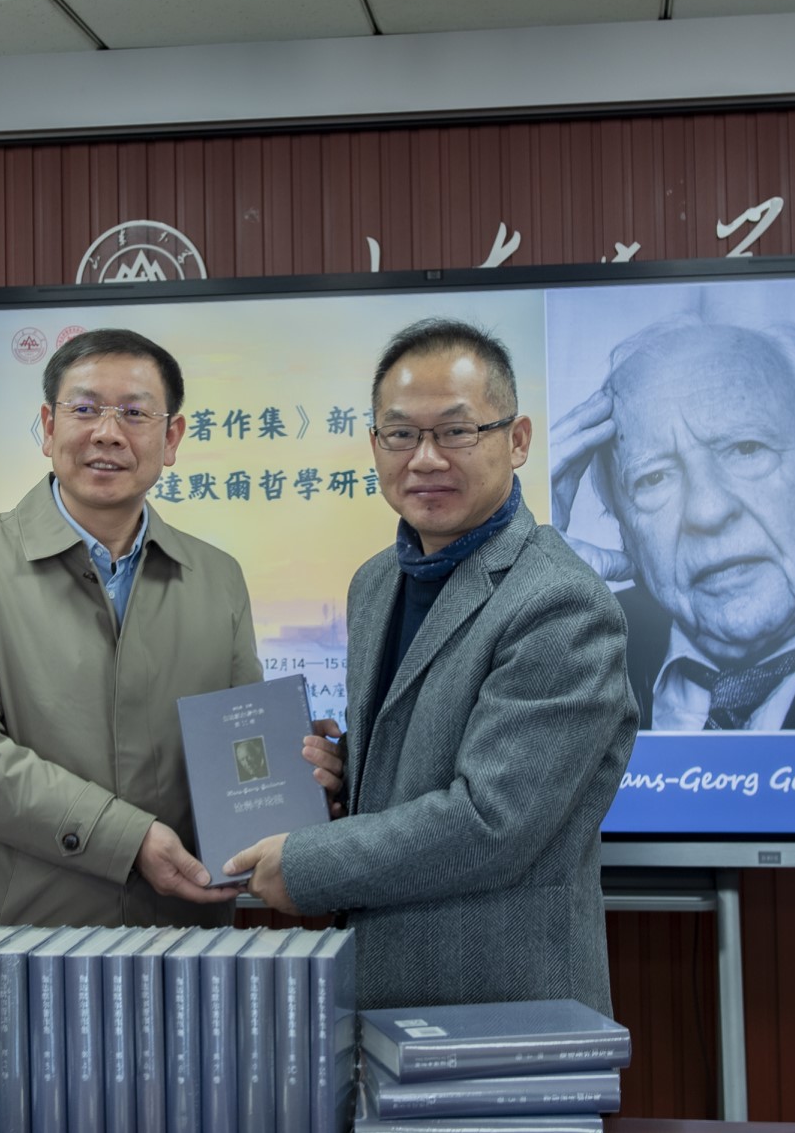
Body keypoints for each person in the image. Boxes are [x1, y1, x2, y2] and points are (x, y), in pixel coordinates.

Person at [226, 319, 637, 1014]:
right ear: (375, 446)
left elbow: (492, 822)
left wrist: (308, 864)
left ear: (518, 440)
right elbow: (422, 761)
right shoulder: (376, 582)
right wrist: (345, 775)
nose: (425, 459)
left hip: (503, 1004)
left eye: (456, 431)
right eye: (401, 434)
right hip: (377, 993)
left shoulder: (561, 602)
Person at [0, 328, 312, 966]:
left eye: (135, 413)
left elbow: (241, 746)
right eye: (85, 408)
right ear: (48, 427)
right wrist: (129, 839)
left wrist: (301, 776)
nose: (108, 433)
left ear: (171, 439)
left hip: (181, 950)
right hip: (16, 954)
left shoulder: (217, 577)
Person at [551, 317, 795, 732]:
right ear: (624, 531)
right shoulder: (574, 652)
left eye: (747, 449)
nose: (706, 511)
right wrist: (518, 561)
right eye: (654, 477)